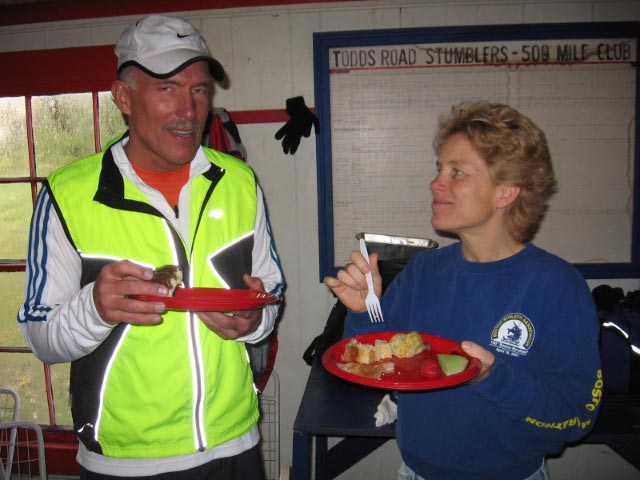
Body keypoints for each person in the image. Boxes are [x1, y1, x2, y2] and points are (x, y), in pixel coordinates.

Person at [18, 14, 284, 480]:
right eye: (167, 88)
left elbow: (272, 293)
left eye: (199, 90)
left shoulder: (240, 181)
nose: (189, 110)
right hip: (125, 460)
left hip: (236, 443)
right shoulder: (67, 194)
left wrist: (255, 319)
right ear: (124, 97)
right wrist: (94, 308)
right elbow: (41, 335)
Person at [324, 101, 601, 480]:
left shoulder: (556, 286)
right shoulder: (424, 270)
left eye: (457, 172)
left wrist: (492, 378)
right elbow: (379, 363)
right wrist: (364, 310)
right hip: (415, 472)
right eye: (439, 169)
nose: (435, 183)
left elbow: (575, 416)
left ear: (506, 193)